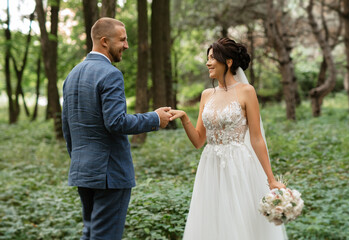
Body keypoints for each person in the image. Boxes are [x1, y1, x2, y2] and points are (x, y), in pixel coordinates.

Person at [62, 17, 172, 240]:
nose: (126, 45)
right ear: (104, 41)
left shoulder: (71, 75)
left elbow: (68, 128)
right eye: (122, 40)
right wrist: (154, 118)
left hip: (83, 171)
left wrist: (80, 160)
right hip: (109, 173)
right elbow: (116, 122)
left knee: (90, 233)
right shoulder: (110, 74)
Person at [169, 38, 288, 239]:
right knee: (212, 222)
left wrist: (271, 179)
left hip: (238, 167)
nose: (208, 63)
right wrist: (184, 118)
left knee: (238, 221)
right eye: (207, 58)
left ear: (229, 62)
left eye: (212, 58)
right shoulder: (207, 95)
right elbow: (199, 141)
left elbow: (257, 138)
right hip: (210, 167)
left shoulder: (246, 92)